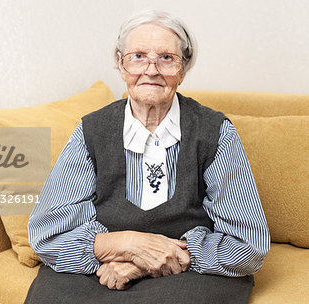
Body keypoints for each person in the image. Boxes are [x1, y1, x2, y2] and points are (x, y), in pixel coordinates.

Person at [25, 10, 270, 304]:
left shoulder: (215, 132)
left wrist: (144, 262)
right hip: (101, 269)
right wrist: (126, 244)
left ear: (183, 68)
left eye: (166, 58)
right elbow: (47, 234)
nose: (151, 70)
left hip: (189, 273)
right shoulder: (91, 131)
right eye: (138, 56)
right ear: (120, 63)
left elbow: (248, 245)